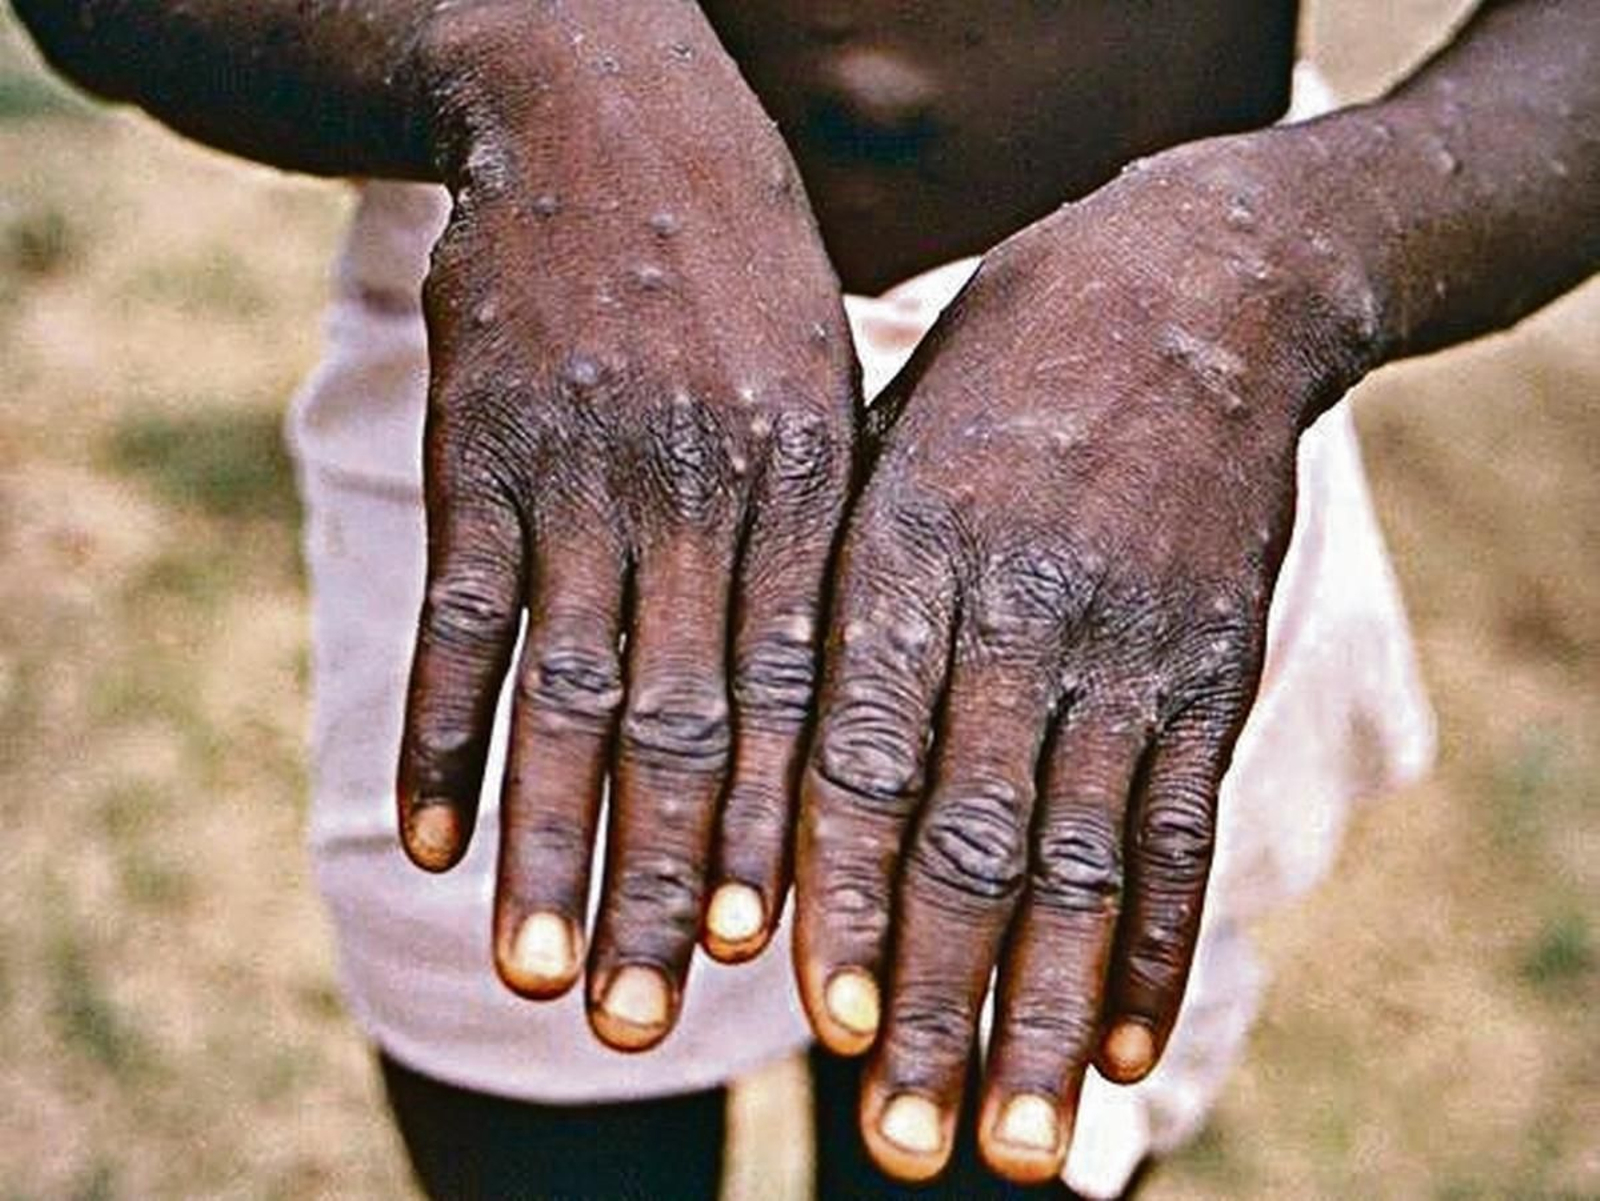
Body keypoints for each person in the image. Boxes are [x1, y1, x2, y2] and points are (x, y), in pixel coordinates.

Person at [12, 1, 1595, 1196]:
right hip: (563, 348)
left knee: (1000, 1129)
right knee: (541, 1106)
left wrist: (1280, 261)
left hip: (1149, 424)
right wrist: (523, 53)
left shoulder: (1225, 317)